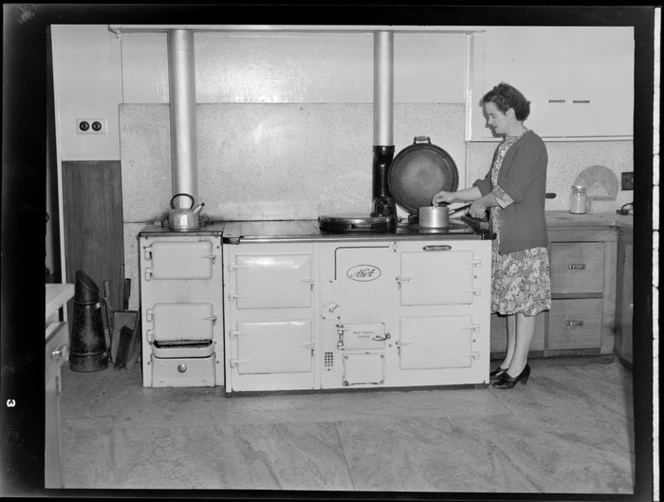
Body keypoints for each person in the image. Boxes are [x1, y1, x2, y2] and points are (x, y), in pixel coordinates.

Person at [432, 82, 551, 389]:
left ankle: (520, 365)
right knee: (511, 302)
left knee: (523, 304)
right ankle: (511, 361)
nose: (489, 121)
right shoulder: (507, 145)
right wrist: (453, 196)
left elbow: (509, 192)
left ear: (510, 112)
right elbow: (488, 186)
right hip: (505, 238)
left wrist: (479, 204)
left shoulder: (531, 145)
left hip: (525, 238)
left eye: (492, 115)